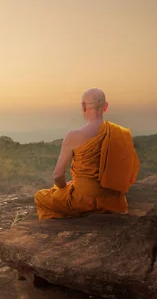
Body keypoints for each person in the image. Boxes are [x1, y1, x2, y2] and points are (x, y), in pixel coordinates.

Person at [34, 88, 140, 220]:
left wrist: (63, 189)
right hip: (114, 202)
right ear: (105, 107)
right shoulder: (122, 134)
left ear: (83, 107)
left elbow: (58, 175)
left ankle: (65, 220)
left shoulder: (74, 136)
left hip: (83, 202)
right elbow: (127, 171)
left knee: (40, 196)